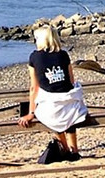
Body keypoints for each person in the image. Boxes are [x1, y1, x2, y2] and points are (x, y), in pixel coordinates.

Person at [18, 25, 88, 159]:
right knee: (68, 112)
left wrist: (31, 113)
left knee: (52, 115)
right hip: (70, 103)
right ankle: (74, 150)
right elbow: (71, 81)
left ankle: (66, 149)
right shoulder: (63, 54)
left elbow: (34, 87)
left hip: (52, 105)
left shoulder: (34, 57)